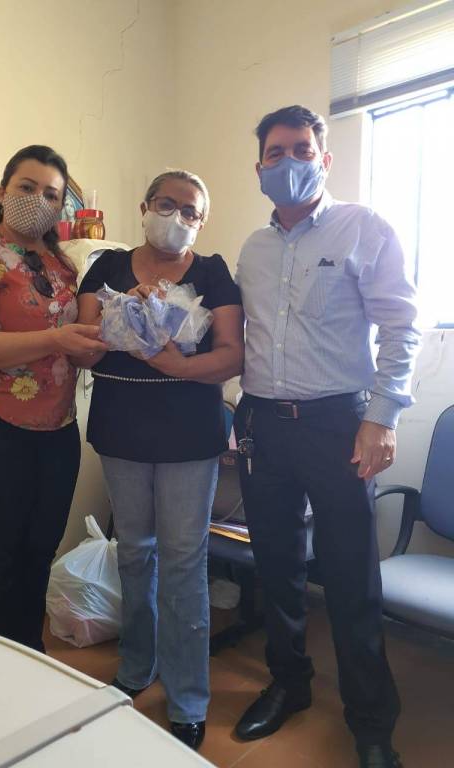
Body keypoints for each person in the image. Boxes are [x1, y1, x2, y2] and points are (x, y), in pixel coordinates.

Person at [233, 106, 420, 768]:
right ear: (259, 166)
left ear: (324, 158)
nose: (288, 162)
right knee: (277, 566)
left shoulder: (364, 228)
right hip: (262, 424)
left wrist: (382, 417)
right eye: (275, 153)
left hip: (339, 424)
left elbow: (402, 326)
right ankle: (289, 684)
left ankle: (371, 721)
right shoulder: (252, 250)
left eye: (302, 149)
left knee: (349, 575)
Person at [75, 170, 244, 749]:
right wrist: (128, 313)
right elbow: (85, 345)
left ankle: (188, 694)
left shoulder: (212, 273)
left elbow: (231, 356)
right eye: (166, 204)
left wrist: (179, 363)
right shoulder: (107, 267)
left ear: (202, 220)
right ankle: (135, 667)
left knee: (182, 562)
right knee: (133, 553)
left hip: (189, 436)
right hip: (121, 430)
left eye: (190, 210)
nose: (176, 217)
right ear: (144, 206)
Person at [0, 145, 107, 652]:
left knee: (39, 554)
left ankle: (29, 660)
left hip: (55, 431)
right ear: (2, 192)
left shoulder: (62, 265)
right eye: (27, 188)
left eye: (51, 194)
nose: (38, 200)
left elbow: (79, 349)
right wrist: (56, 338)